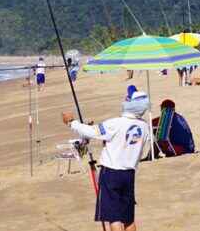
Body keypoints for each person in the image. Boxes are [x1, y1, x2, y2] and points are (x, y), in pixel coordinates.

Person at [61, 91, 151, 231]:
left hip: (111, 173)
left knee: (113, 216)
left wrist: (71, 122)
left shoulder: (115, 123)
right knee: (128, 217)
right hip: (129, 173)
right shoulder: (144, 127)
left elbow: (91, 132)